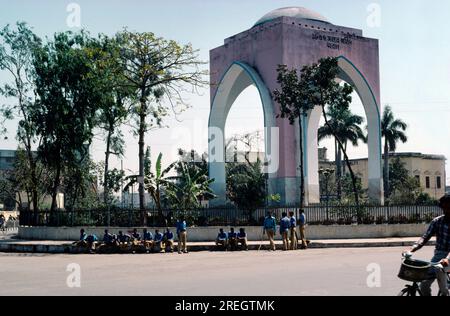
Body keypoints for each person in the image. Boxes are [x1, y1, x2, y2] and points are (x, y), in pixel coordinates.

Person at [406, 194, 450, 296]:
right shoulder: (437, 221)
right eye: (444, 208)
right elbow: (425, 237)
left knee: (442, 282)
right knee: (424, 284)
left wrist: (447, 259)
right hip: (438, 256)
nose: (447, 210)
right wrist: (411, 250)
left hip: (449, 258)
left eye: (449, 208)